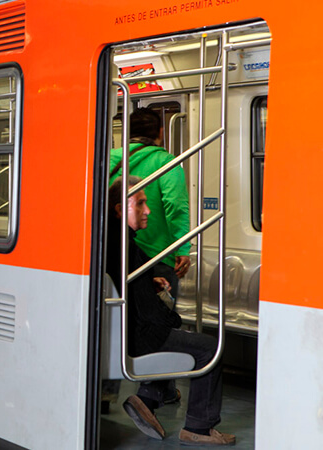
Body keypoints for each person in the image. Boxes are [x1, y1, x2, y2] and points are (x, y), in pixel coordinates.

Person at [107, 176, 235, 446]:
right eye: (140, 204)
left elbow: (130, 285)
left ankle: (149, 398)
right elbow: (152, 316)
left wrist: (148, 283)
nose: (148, 210)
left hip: (127, 329)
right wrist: (173, 319)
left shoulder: (113, 239)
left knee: (178, 334)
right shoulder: (124, 247)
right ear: (120, 209)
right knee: (209, 348)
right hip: (138, 336)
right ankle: (199, 427)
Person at [109, 108, 190, 300]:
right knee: (159, 315)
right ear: (161, 132)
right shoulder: (166, 162)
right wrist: (182, 249)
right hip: (157, 255)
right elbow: (175, 206)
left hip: (117, 250)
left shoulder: (109, 159)